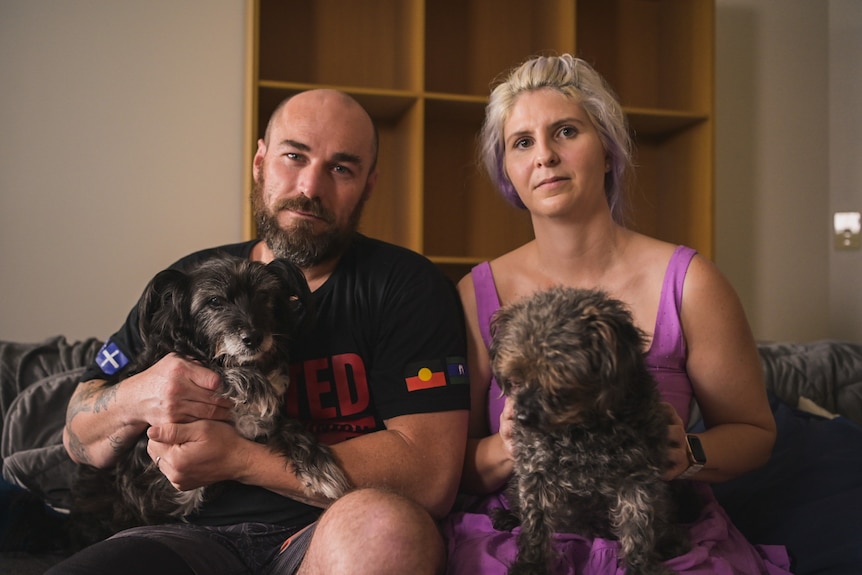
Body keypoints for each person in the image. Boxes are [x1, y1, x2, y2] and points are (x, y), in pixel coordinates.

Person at [47, 89, 470, 575]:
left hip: (327, 529)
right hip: (181, 534)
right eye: (294, 156)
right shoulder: (185, 284)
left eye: (341, 168)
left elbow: (432, 477)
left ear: (368, 185)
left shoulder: (408, 287)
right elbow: (79, 434)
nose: (310, 186)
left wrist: (240, 459)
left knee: (387, 532)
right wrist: (138, 396)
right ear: (260, 161)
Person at [440, 54, 794, 574]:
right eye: (522, 142)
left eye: (565, 132)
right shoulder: (476, 294)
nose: (545, 156)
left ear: (607, 150)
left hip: (653, 534)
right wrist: (503, 446)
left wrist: (688, 451)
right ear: (508, 173)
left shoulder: (691, 283)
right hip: (522, 536)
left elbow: (754, 435)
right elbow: (448, 465)